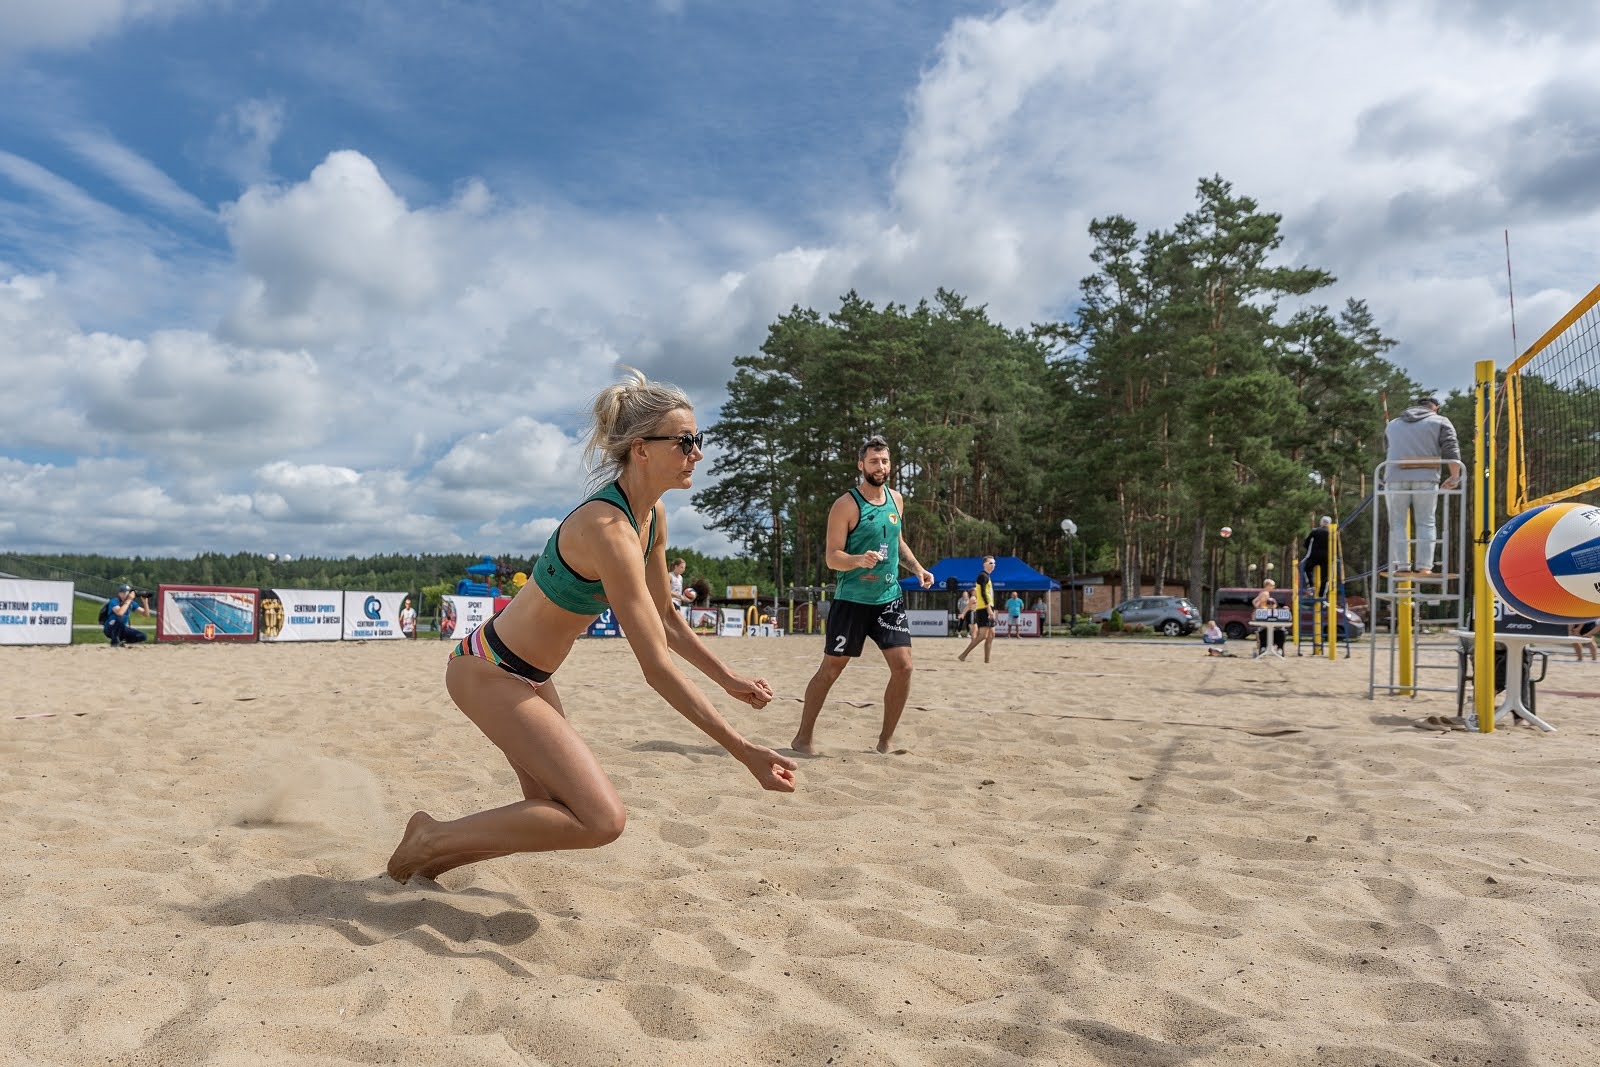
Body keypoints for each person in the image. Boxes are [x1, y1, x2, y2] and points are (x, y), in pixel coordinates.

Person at [387, 368, 797, 884]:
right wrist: (742, 750)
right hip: (489, 670)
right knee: (601, 819)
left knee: (550, 811)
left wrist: (728, 677)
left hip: (531, 676)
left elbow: (665, 615)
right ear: (641, 449)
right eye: (685, 441)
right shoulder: (609, 529)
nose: (697, 453)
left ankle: (426, 863)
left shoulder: (653, 517)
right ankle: (427, 838)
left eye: (699, 439)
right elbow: (656, 669)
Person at [790, 435, 935, 755]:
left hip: (888, 598)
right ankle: (803, 738)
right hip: (852, 601)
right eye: (873, 461)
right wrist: (858, 560)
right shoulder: (846, 505)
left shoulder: (897, 500)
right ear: (861, 465)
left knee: (904, 667)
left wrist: (918, 569)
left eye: (884, 461)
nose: (879, 466)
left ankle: (885, 742)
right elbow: (832, 558)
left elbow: (897, 542)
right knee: (831, 669)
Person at [1384, 394, 1463, 575]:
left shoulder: (1393, 424)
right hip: (1426, 477)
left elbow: (1387, 449)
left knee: (1397, 523)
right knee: (1426, 521)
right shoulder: (1440, 421)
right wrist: (1454, 477)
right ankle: (1425, 567)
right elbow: (1451, 449)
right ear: (1435, 408)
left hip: (1394, 477)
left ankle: (1402, 566)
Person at [957, 557, 999, 663]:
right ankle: (963, 655)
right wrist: (988, 609)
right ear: (984, 564)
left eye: (994, 563)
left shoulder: (987, 576)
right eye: (990, 563)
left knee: (991, 635)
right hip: (983, 608)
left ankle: (987, 661)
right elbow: (983, 593)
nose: (993, 565)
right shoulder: (982, 576)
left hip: (988, 606)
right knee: (982, 635)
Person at [1300, 516, 1334, 597]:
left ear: (1321, 522)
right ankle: (1321, 594)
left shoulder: (1315, 531)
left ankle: (1311, 585)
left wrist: (1309, 549)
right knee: (1325, 576)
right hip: (1327, 557)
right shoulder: (1332, 533)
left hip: (1314, 555)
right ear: (1329, 524)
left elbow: (1306, 543)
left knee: (1307, 568)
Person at [1251, 580, 1287, 657]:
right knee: (1265, 630)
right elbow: (1259, 603)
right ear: (1267, 585)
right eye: (1272, 586)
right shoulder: (1266, 593)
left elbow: (1254, 601)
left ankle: (1263, 648)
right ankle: (1265, 649)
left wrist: (1257, 609)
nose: (1273, 587)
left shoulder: (1262, 592)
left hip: (1263, 614)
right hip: (1265, 614)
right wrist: (1261, 608)